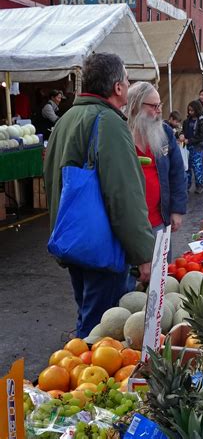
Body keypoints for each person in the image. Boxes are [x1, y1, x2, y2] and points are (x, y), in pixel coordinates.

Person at [43, 53, 154, 339]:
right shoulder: (108, 121)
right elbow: (123, 195)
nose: (129, 86)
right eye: (127, 80)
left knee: (87, 314)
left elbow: (52, 180)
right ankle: (81, 380)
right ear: (118, 87)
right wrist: (143, 254)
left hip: (73, 240)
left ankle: (73, 370)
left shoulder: (67, 118)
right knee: (101, 331)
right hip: (102, 247)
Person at [125, 82, 187, 237]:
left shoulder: (165, 132)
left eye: (160, 105)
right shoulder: (120, 133)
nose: (159, 111)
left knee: (162, 261)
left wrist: (177, 210)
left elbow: (178, 173)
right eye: (153, 106)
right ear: (135, 106)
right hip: (129, 224)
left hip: (159, 220)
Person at [181, 100, 203, 194]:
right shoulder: (186, 121)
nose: (190, 112)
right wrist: (181, 135)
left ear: (197, 110)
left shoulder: (202, 121)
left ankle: (199, 185)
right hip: (186, 147)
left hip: (197, 148)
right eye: (189, 110)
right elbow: (183, 131)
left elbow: (202, 136)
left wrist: (190, 140)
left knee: (197, 168)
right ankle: (187, 186)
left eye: (192, 110)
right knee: (187, 167)